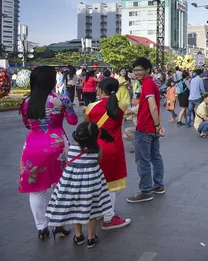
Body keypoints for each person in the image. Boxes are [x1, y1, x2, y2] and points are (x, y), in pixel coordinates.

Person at [19, 66, 78, 242]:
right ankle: (59, 224)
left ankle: (41, 228)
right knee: (59, 186)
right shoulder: (61, 99)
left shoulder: (27, 102)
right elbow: (73, 121)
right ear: (52, 81)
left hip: (32, 146)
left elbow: (28, 125)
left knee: (36, 190)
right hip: (56, 145)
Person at [45, 122, 113, 248]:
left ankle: (78, 236)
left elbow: (69, 161)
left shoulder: (69, 149)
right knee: (91, 209)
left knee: (76, 208)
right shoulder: (98, 150)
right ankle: (91, 238)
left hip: (72, 183)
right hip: (91, 184)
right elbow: (97, 162)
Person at [84, 77, 131, 231]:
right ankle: (109, 217)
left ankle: (100, 212)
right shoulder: (121, 106)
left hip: (96, 148)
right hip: (114, 148)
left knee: (98, 181)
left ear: (100, 90)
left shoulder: (91, 107)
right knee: (111, 184)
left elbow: (87, 127)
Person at [127, 57, 166, 203]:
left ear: (147, 70)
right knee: (155, 157)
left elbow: (153, 106)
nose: (136, 72)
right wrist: (158, 126)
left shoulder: (148, 83)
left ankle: (145, 191)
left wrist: (157, 126)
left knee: (142, 160)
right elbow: (155, 106)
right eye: (135, 70)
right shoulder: (148, 83)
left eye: (139, 70)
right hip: (151, 128)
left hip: (145, 129)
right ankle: (158, 185)